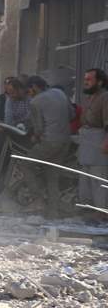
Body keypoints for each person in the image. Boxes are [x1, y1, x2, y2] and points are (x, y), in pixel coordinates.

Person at [26, 75, 74, 219]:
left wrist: (34, 136)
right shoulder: (60, 93)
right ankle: (53, 212)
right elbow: (71, 115)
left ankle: (37, 199)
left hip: (49, 142)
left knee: (26, 164)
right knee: (52, 176)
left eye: (29, 90)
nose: (29, 93)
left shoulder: (35, 102)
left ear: (34, 87)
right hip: (65, 141)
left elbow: (39, 129)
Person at [77, 68, 108, 221]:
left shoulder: (105, 97)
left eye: (89, 79)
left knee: (98, 177)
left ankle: (102, 211)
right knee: (87, 176)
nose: (86, 82)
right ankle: (90, 210)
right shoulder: (90, 98)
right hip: (88, 141)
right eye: (85, 79)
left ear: (100, 82)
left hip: (99, 140)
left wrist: (106, 142)